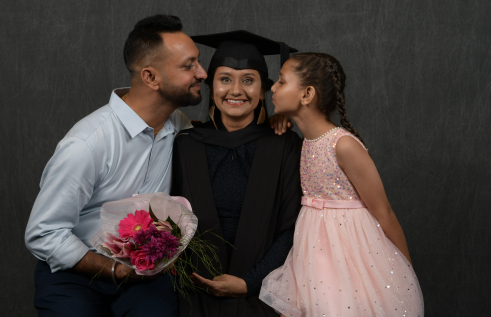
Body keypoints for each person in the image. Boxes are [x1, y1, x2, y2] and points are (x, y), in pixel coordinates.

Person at [24, 15, 207, 317]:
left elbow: (222, 132)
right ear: (151, 77)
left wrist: (269, 120)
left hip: (144, 277)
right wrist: (114, 270)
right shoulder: (87, 144)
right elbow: (44, 233)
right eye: (189, 65)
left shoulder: (177, 124)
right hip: (76, 274)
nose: (202, 72)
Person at [259, 53, 424, 316]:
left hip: (349, 258)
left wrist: (406, 276)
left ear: (307, 94)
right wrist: (277, 119)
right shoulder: (304, 140)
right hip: (313, 252)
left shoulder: (343, 145)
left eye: (281, 81)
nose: (273, 88)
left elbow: (384, 211)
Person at [171, 31, 303, 317]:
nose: (236, 90)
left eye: (248, 80)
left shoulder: (285, 146)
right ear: (212, 85)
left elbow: (292, 230)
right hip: (195, 294)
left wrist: (249, 283)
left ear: (264, 89)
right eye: (225, 79)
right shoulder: (185, 144)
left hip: (262, 294)